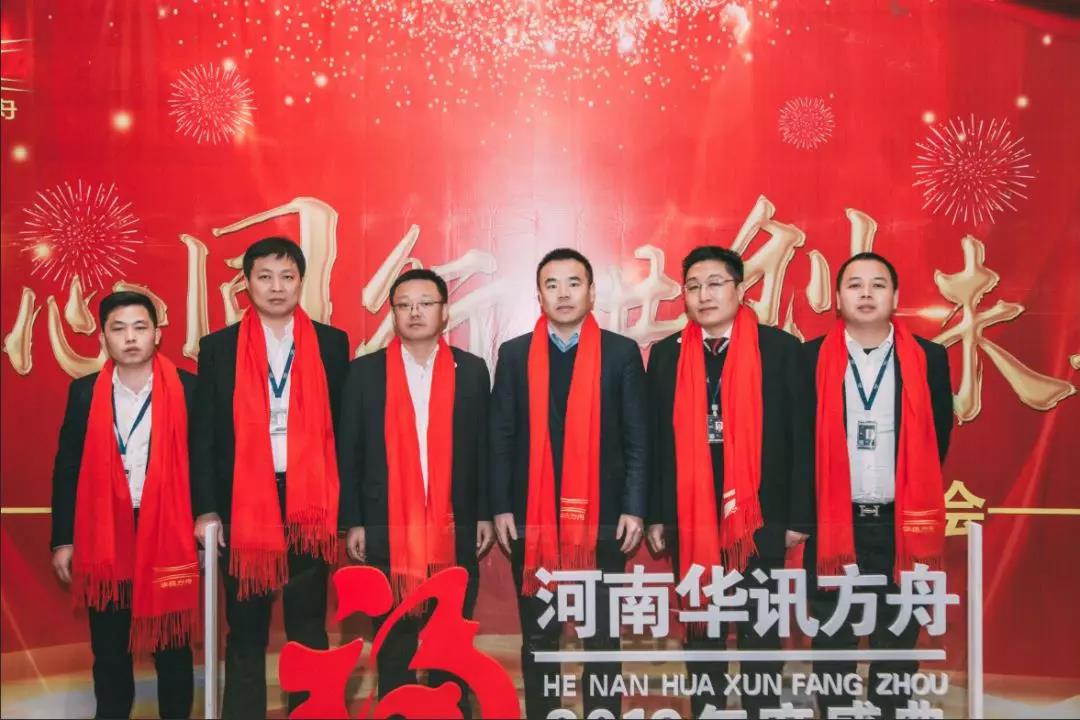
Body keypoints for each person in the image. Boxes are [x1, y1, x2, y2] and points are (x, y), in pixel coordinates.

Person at [645, 245, 813, 719]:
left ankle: (762, 710)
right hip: (690, 512)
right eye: (694, 286)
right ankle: (709, 710)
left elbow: (802, 437)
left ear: (741, 289)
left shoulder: (780, 350)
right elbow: (656, 441)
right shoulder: (666, 355)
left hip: (762, 511)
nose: (704, 295)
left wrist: (799, 516)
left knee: (762, 628)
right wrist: (657, 514)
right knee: (702, 625)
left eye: (715, 284)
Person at [190, 236, 349, 718]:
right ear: (246, 283)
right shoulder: (218, 348)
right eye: (264, 277)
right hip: (243, 503)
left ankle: (311, 713)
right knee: (245, 630)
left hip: (309, 504)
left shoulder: (331, 343)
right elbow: (204, 435)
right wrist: (206, 509)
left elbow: (343, 430)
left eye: (287, 276)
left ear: (302, 282)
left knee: (308, 627)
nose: (276, 287)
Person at [490, 247, 650, 719]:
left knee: (601, 636)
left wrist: (635, 506)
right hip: (532, 518)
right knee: (540, 634)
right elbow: (501, 437)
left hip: (603, 518)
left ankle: (602, 712)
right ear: (539, 295)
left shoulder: (620, 353)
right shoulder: (515, 354)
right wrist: (501, 507)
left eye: (574, 283)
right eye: (552, 285)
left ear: (592, 292)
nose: (563, 293)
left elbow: (637, 437)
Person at [803, 252, 952, 719]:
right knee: (833, 635)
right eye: (855, 285)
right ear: (838, 298)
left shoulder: (928, 358)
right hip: (834, 523)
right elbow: (797, 440)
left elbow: (938, 436)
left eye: (878, 284)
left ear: (896, 296)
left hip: (899, 523)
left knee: (898, 637)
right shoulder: (809, 358)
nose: (866, 293)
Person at [338, 268, 494, 716]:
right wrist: (354, 521)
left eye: (425, 303)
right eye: (404, 305)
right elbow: (349, 452)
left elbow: (484, 449)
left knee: (451, 637)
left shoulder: (471, 371)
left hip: (454, 521)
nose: (415, 312)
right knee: (395, 639)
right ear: (393, 313)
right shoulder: (365, 373)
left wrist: (484, 513)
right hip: (386, 522)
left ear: (445, 312)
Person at [50, 291, 198, 719]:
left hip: (168, 530)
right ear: (103, 338)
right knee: (110, 648)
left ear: (157, 334)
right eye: (119, 329)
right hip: (106, 534)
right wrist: (63, 540)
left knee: (172, 646)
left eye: (140, 327)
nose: (130, 338)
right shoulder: (84, 393)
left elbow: (206, 461)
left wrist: (206, 521)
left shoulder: (188, 388)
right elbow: (67, 468)